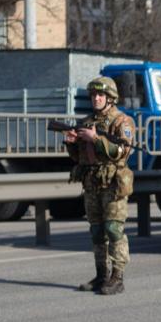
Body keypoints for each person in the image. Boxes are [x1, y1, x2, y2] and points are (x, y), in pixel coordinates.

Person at [63, 76, 135, 295]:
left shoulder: (121, 121)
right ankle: (101, 275)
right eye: (93, 95)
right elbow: (80, 158)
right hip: (92, 182)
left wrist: (96, 139)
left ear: (110, 98)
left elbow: (122, 152)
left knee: (114, 229)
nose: (96, 99)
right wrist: (71, 144)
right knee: (96, 231)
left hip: (113, 183)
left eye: (101, 95)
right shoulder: (87, 122)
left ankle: (117, 277)